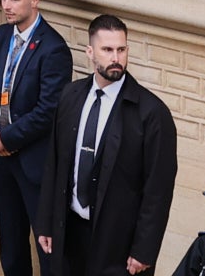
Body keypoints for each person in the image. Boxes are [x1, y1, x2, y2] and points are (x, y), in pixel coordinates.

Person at [35, 16, 178, 276]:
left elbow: (158, 191)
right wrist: (46, 222)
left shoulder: (152, 114)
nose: (116, 58)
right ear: (90, 52)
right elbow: (54, 164)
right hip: (69, 230)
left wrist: (144, 250)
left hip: (117, 244)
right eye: (108, 50)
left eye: (121, 50)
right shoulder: (71, 95)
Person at [0, 0, 70, 276]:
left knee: (47, 250)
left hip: (34, 164)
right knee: (11, 245)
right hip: (1, 160)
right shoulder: (4, 34)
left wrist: (7, 138)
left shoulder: (53, 48)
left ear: (35, 1)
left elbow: (48, 111)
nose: (6, 6)